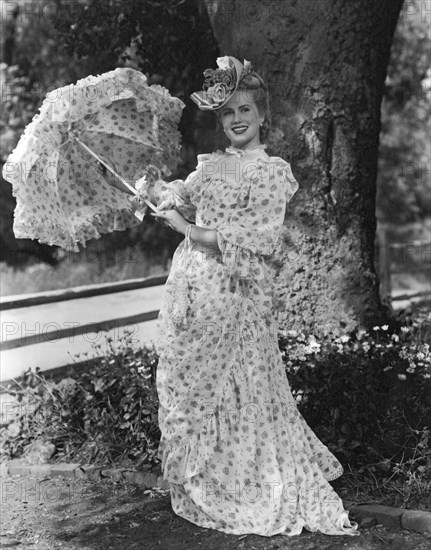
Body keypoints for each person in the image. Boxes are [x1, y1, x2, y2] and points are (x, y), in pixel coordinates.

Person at [140, 56, 359, 537]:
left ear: (263, 117)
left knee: (240, 382)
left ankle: (243, 481)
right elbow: (185, 196)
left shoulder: (270, 172)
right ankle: (200, 477)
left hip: (236, 290)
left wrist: (185, 227)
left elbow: (254, 239)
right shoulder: (211, 165)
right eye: (227, 113)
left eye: (245, 110)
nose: (236, 120)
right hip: (193, 286)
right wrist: (161, 195)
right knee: (186, 378)